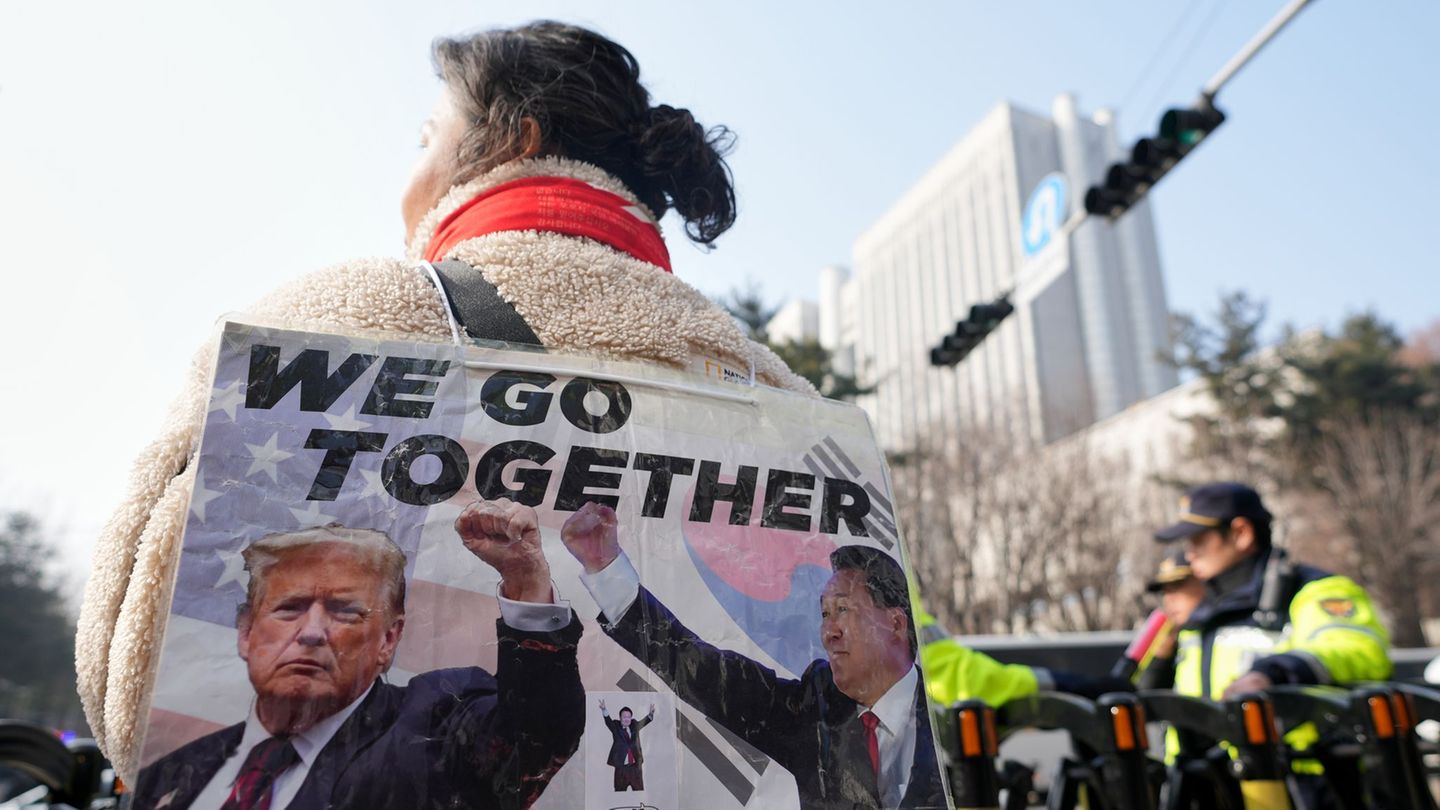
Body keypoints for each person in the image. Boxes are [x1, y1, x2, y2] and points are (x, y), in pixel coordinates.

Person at [77, 20, 814, 781]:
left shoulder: (334, 318)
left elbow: (127, 680)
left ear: (514, 140)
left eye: (426, 136)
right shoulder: (773, 386)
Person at [131, 501, 584, 810]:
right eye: (289, 609)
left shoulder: (439, 722)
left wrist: (525, 582)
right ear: (247, 633)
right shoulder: (170, 774)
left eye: (344, 612)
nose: (311, 632)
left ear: (388, 640)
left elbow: (535, 737)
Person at [560, 501, 946, 810]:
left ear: (895, 623)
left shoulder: (952, 720)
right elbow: (701, 671)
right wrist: (606, 569)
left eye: (844, 610)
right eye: (824, 613)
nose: (829, 631)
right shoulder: (816, 708)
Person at [1153, 481, 1392, 809]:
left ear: (1241, 533)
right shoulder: (1203, 613)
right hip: (1214, 788)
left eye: (1199, 539)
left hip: (1309, 789)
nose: (1188, 551)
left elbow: (1359, 650)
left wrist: (1270, 674)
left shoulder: (1313, 591)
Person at [1133, 552, 1205, 692]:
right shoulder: (1168, 638)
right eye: (1165, 592)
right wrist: (1161, 659)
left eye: (1178, 587)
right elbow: (1143, 694)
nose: (1168, 599)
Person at [599, 699, 654, 792]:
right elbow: (608, 722)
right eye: (624, 717)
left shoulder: (634, 725)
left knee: (639, 792)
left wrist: (651, 713)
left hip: (635, 767)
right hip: (621, 767)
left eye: (629, 717)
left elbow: (645, 721)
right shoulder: (616, 726)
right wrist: (604, 709)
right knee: (619, 792)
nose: (626, 719)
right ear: (620, 718)